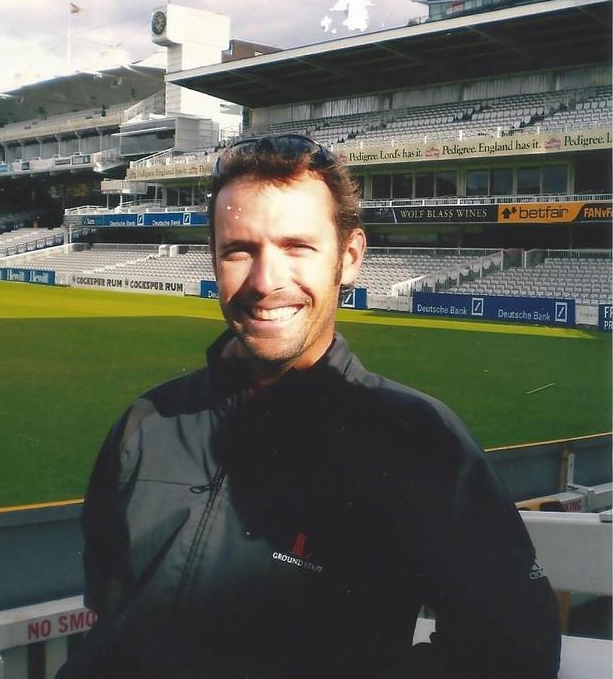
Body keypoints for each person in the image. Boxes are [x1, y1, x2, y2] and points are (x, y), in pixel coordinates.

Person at [58, 134, 561, 679]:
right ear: (214, 259)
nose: (265, 282)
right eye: (239, 251)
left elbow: (514, 651)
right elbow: (109, 624)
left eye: (296, 246)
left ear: (349, 258)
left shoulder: (418, 440)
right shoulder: (146, 425)